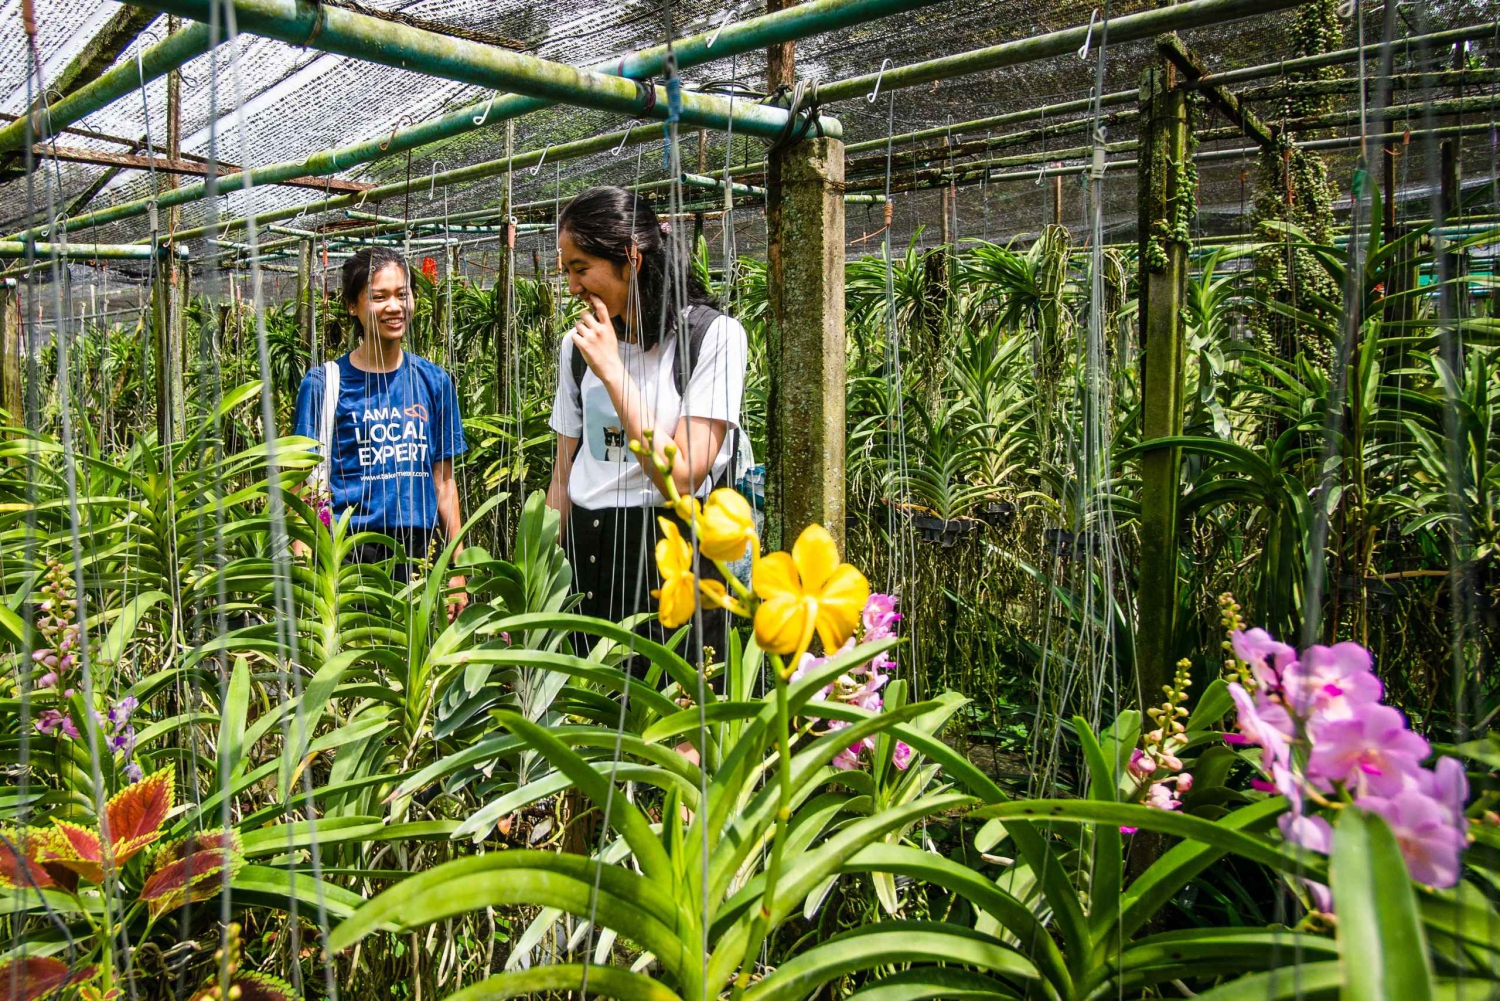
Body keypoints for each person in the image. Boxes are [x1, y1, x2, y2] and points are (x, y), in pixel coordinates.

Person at [547, 186, 749, 664]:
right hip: (586, 552)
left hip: (672, 557)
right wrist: (538, 574)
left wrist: (613, 373)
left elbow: (683, 476)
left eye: (581, 269)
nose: (572, 287)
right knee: (586, 699)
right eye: (567, 271)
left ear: (630, 258)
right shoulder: (577, 347)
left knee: (676, 703)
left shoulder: (711, 337)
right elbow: (563, 473)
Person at [293, 246, 469, 621]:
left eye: (402, 294)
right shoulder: (325, 384)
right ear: (352, 306)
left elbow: (444, 484)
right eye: (379, 297)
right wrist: (304, 563)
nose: (394, 306)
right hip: (350, 552)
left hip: (420, 553)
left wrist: (457, 567)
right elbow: (303, 484)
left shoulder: (434, 382)